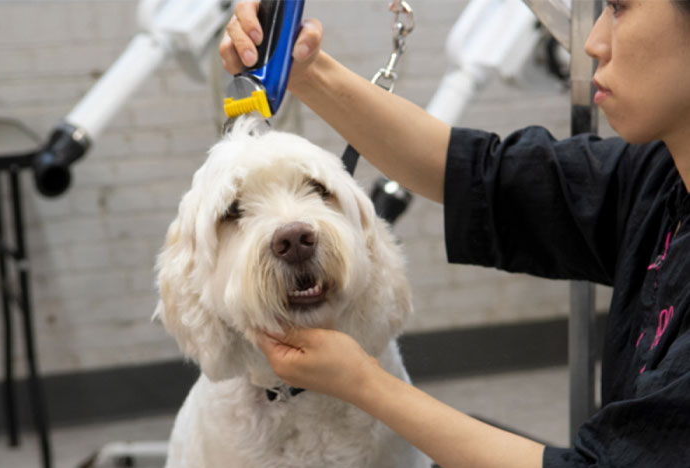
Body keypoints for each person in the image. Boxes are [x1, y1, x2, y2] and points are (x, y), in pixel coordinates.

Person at [220, 0, 690, 466]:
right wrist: (304, 70)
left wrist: (365, 384)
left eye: (620, 7)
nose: (592, 42)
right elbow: (479, 175)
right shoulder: (659, 179)